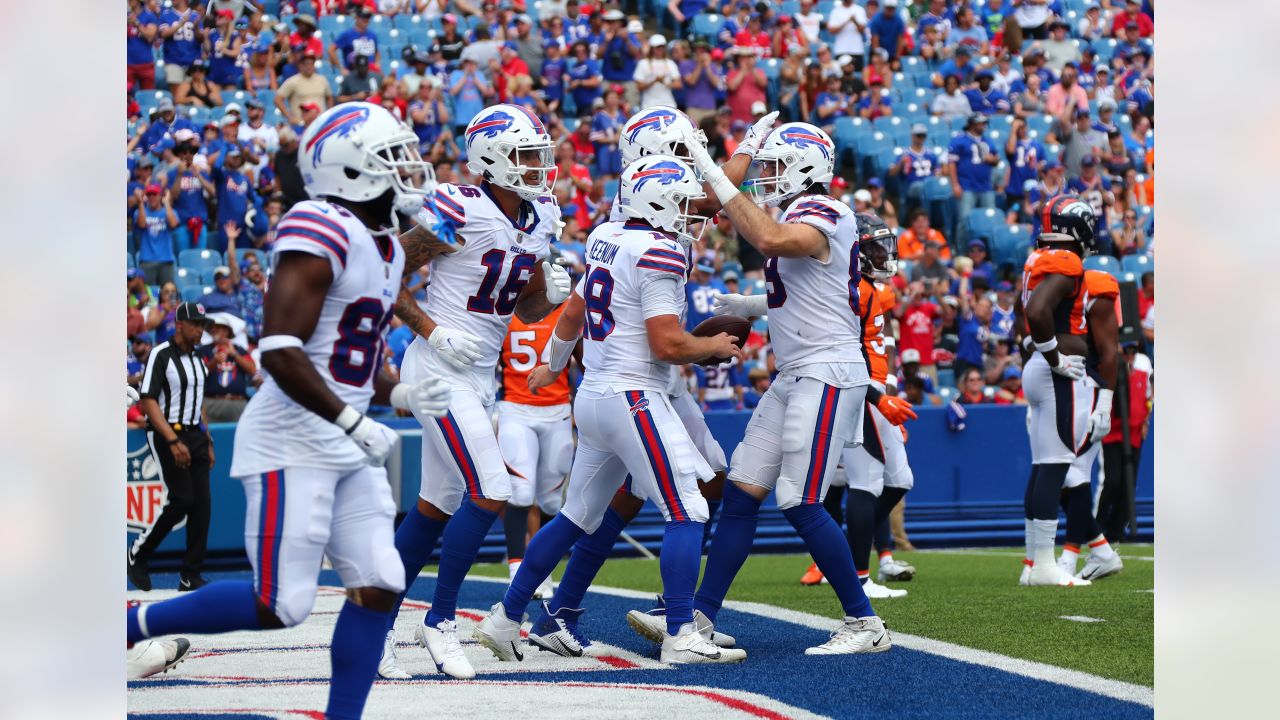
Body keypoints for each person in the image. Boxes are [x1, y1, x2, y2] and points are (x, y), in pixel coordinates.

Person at [127, 102, 451, 718]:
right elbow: (279, 348)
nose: (409, 167)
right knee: (281, 604)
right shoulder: (319, 224)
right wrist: (354, 419)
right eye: (392, 157)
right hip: (292, 440)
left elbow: (349, 358)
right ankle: (127, 624)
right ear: (348, 170)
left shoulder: (384, 247)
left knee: (380, 583)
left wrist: (397, 395)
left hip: (343, 439)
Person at [491, 110, 776, 659]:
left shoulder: (609, 229)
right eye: (687, 151)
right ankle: (679, 628)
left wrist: (554, 365)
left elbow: (573, 313)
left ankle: (514, 616)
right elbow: (666, 342)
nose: (701, 198)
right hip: (639, 387)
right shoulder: (659, 240)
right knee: (686, 505)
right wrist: (712, 348)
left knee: (586, 511)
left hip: (598, 388)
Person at [667, 121, 909, 655]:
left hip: (826, 371)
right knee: (741, 491)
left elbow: (770, 238)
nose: (767, 177)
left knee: (799, 500)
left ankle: (865, 624)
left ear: (806, 166)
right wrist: (749, 306)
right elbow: (808, 292)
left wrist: (714, 171)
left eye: (776, 166)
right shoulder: (800, 212)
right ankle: (702, 618)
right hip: (796, 371)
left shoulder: (824, 211)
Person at [378, 104, 569, 681]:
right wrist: (433, 328)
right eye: (525, 155)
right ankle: (440, 621)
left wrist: (551, 295)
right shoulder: (460, 207)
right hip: (437, 368)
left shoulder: (540, 218)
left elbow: (523, 302)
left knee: (437, 505)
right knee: (492, 488)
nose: (538, 166)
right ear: (492, 159)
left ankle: (374, 621)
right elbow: (385, 273)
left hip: (479, 375)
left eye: (540, 153)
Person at [804, 214, 917, 595]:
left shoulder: (871, 289)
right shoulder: (851, 291)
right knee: (865, 483)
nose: (883, 256)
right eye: (873, 248)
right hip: (863, 390)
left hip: (879, 387)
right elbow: (847, 353)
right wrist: (877, 395)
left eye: (884, 247)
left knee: (900, 480)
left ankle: (851, 547)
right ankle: (859, 575)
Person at [1014, 194, 1097, 587]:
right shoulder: (1066, 260)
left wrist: (1033, 348)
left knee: (1043, 466)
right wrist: (1052, 356)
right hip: (1054, 372)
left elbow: (1021, 310)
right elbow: (1035, 312)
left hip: (1039, 369)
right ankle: (1045, 565)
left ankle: (1033, 563)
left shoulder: (1037, 259)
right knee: (1055, 464)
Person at [127, 302, 214, 592]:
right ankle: (138, 553)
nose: (201, 329)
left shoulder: (199, 359)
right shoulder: (160, 354)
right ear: (179, 325)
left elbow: (198, 401)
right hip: (169, 433)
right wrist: (173, 440)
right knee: (182, 499)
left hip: (195, 434)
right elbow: (148, 399)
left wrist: (208, 438)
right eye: (196, 324)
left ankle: (191, 574)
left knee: (202, 504)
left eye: (203, 324)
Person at [496, 301, 574, 603]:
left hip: (557, 411)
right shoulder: (504, 309)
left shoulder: (567, 309)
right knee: (520, 492)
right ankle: (516, 568)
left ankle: (542, 569)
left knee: (552, 500)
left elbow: (581, 356)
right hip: (516, 408)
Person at [1055, 268, 1123, 581]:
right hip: (1071, 388)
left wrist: (1106, 403)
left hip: (1091, 388)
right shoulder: (1052, 284)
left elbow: (1111, 351)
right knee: (1060, 475)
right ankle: (1102, 551)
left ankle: (1069, 558)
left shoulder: (1094, 285)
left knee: (1072, 474)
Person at [1095, 341, 1152, 543]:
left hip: (1135, 434)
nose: (1129, 355)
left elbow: (1148, 398)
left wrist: (1146, 421)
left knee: (1129, 484)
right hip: (1114, 434)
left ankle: (1117, 530)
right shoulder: (1109, 376)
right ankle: (1098, 526)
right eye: (1125, 352)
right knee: (1112, 481)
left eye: (1132, 352)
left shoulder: (1142, 376)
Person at [948, 113, 999, 248]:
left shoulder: (987, 141)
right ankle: (961, 251)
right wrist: (955, 184)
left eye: (984, 123)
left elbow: (996, 158)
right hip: (966, 186)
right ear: (972, 124)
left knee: (989, 220)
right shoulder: (959, 140)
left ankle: (987, 251)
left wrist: (992, 159)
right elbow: (952, 163)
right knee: (965, 221)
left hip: (985, 186)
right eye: (980, 123)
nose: (983, 126)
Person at [199, 314, 257, 421]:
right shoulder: (204, 350)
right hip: (211, 402)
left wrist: (234, 354)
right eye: (212, 327)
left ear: (226, 331)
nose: (214, 330)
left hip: (237, 402)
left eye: (218, 327)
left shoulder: (239, 350)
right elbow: (199, 374)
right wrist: (214, 361)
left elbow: (252, 370)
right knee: (207, 436)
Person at [135, 184, 180, 286]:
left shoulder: (170, 212)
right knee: (148, 294)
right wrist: (141, 203)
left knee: (169, 293)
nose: (152, 197)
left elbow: (173, 223)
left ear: (160, 196)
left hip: (166, 259)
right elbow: (142, 224)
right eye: (149, 194)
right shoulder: (140, 211)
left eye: (154, 194)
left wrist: (167, 203)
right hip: (147, 260)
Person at [276, 51, 333, 124]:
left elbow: (329, 97)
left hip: (320, 123)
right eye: (306, 64)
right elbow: (278, 99)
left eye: (311, 63)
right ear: (300, 65)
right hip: (301, 123)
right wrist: (289, 116)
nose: (309, 66)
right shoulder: (292, 81)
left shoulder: (322, 80)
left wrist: (329, 113)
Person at [828, 0, 868, 69]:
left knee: (856, 75)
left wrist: (854, 21)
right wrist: (846, 21)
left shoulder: (859, 10)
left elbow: (862, 30)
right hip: (841, 50)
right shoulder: (836, 11)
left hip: (857, 50)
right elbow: (831, 31)